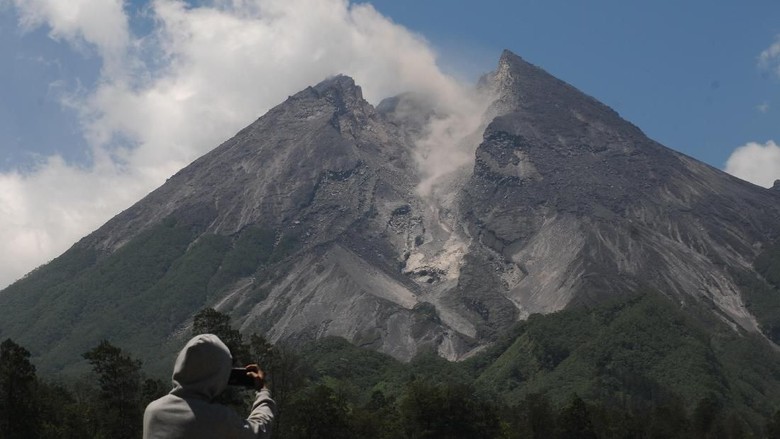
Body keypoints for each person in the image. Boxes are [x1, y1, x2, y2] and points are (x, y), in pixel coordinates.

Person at [143, 334, 274, 438]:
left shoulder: (153, 411)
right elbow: (260, 430)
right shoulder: (219, 419)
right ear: (218, 376)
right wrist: (262, 390)